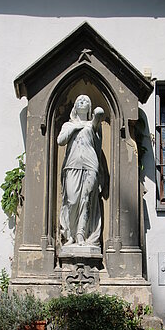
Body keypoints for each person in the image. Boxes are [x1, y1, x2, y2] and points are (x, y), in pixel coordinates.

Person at [57, 95, 105, 247]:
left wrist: (96, 114)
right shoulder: (68, 125)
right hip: (72, 166)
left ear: (89, 107)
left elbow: (98, 115)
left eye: (86, 101)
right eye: (79, 101)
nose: (83, 102)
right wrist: (75, 127)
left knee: (86, 200)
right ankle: (69, 235)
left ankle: (80, 235)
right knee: (72, 200)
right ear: (75, 107)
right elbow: (60, 141)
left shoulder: (93, 124)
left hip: (91, 165)